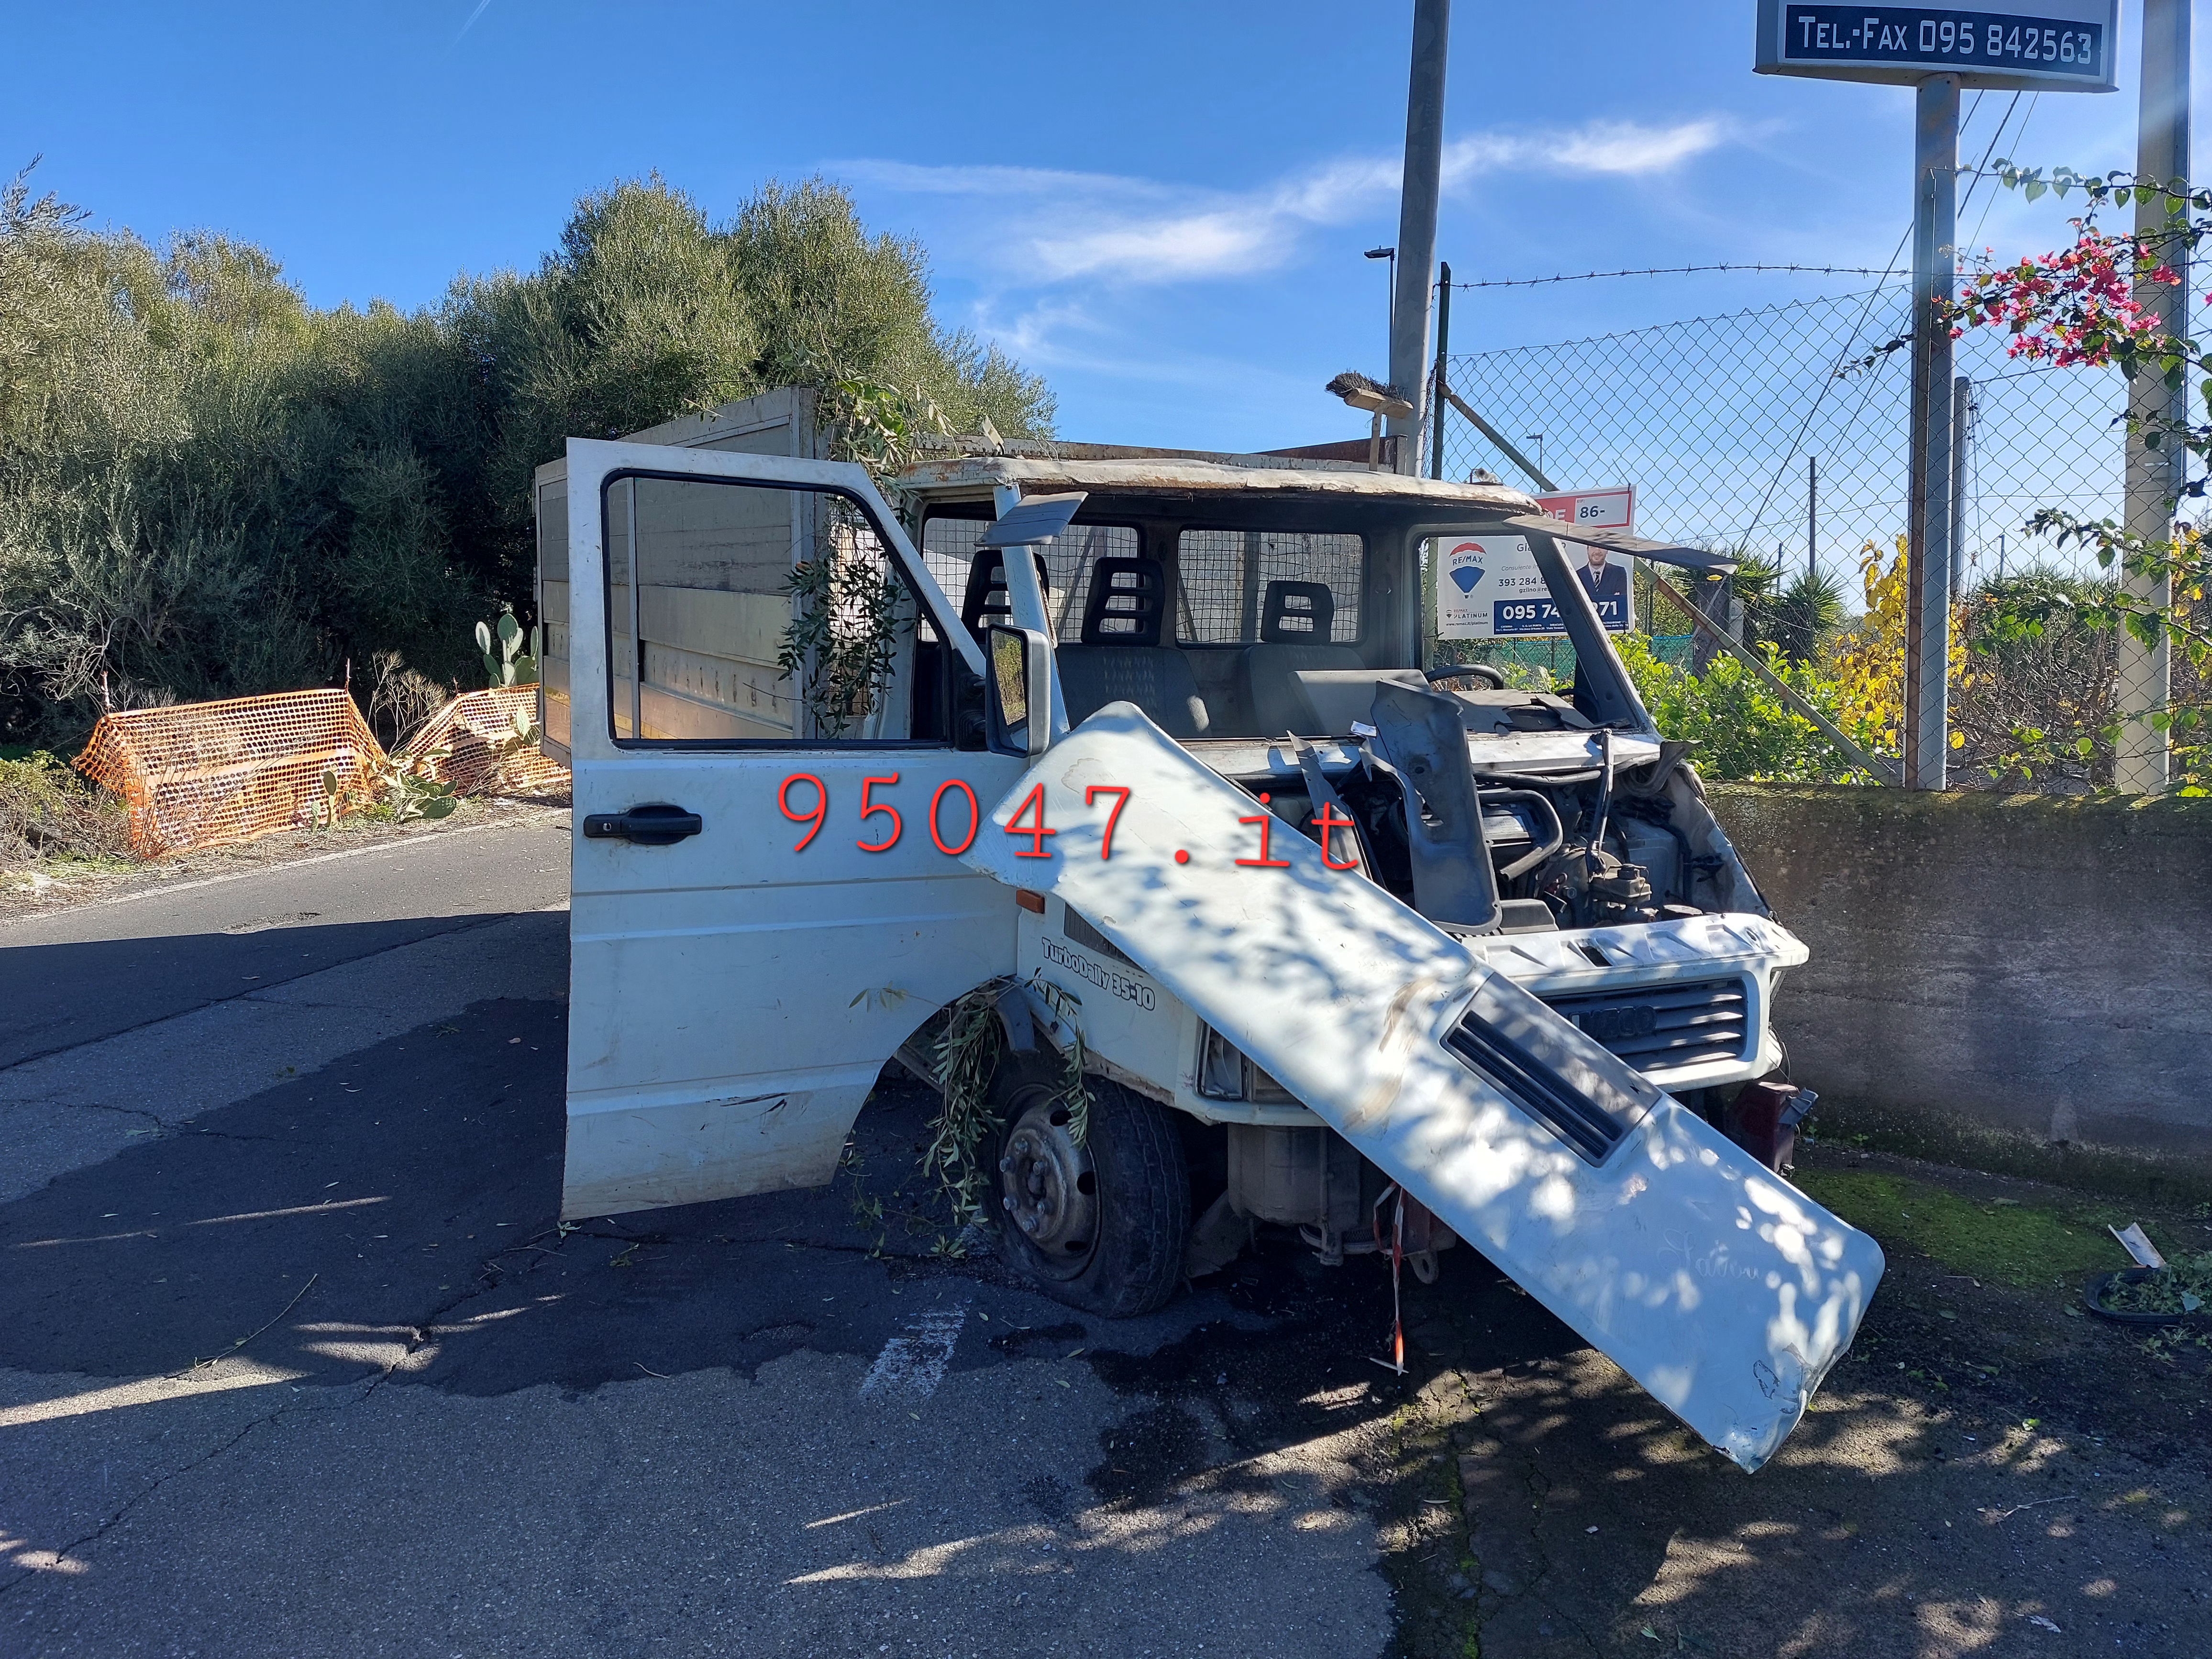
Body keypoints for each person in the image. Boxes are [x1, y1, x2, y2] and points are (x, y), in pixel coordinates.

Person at [1576, 545, 1629, 628]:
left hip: (1612, 625)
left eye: (1601, 547)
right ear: (1587, 550)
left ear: (1607, 550)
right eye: (1593, 547)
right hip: (1585, 625)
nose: (1597, 551)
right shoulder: (1576, 575)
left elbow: (1620, 603)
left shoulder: (1619, 573)